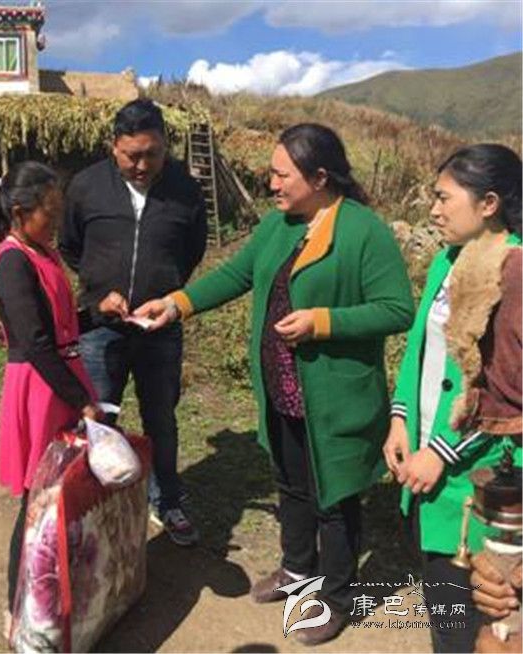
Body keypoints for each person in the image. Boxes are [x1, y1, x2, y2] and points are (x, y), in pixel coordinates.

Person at [136, 123, 414, 645]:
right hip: (283, 388)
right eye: (272, 173)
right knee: (291, 484)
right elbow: (236, 275)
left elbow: (398, 308)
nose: (272, 184)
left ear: (320, 177)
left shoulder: (363, 231)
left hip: (335, 398)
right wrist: (176, 304)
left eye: (282, 175)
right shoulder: (278, 226)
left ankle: (336, 597)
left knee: (335, 498)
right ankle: (297, 569)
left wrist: (322, 321)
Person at [383, 144, 522, 653]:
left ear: (488, 203)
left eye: (444, 198)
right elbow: (419, 350)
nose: (434, 210)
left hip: (483, 479)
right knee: (446, 614)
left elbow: (509, 397)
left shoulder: (513, 273)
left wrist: (440, 452)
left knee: (483, 624)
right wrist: (400, 419)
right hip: (428, 468)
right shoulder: (449, 260)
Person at [59, 98, 208, 546]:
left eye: (153, 154)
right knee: (99, 416)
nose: (142, 165)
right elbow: (70, 245)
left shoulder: (185, 189)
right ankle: (95, 503)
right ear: (114, 147)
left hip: (160, 328)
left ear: (165, 146)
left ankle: (167, 499)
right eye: (132, 156)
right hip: (100, 328)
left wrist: (166, 293)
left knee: (161, 416)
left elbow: (193, 249)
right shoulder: (86, 186)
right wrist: (97, 292)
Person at [0, 161, 104, 616]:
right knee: (37, 498)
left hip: (61, 377)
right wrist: (82, 401)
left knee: (62, 493)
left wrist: (102, 312)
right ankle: (18, 608)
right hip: (40, 388)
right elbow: (35, 343)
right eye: (49, 215)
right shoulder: (12, 261)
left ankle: (57, 591)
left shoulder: (43, 253)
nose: (56, 224)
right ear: (19, 212)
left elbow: (61, 327)